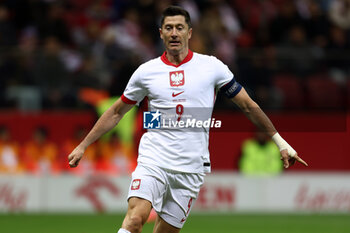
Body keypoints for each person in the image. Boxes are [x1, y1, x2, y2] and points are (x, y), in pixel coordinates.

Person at [68, 6, 308, 233]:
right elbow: (117, 111)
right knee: (134, 221)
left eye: (180, 27)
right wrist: (83, 145)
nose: (174, 33)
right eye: (169, 27)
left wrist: (280, 141)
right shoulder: (145, 72)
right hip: (154, 159)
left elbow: (248, 105)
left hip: (191, 168)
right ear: (161, 33)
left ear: (189, 32)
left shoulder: (212, 67)